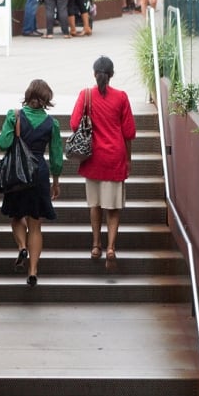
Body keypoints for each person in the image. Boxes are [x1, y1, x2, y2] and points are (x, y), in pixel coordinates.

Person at [0, 78, 63, 287]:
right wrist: (56, 181)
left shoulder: (14, 115)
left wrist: (12, 129)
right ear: (46, 100)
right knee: (35, 224)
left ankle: (22, 247)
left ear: (27, 96)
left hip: (17, 173)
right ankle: (33, 271)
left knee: (17, 218)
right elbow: (56, 156)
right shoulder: (52, 124)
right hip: (39, 174)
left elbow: (2, 143)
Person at [73, 56, 136, 268]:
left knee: (95, 204)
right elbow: (129, 132)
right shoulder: (121, 97)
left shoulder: (86, 95)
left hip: (93, 159)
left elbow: (74, 124)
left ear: (94, 74)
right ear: (112, 75)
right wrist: (128, 159)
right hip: (115, 157)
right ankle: (110, 247)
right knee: (113, 207)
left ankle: (95, 245)